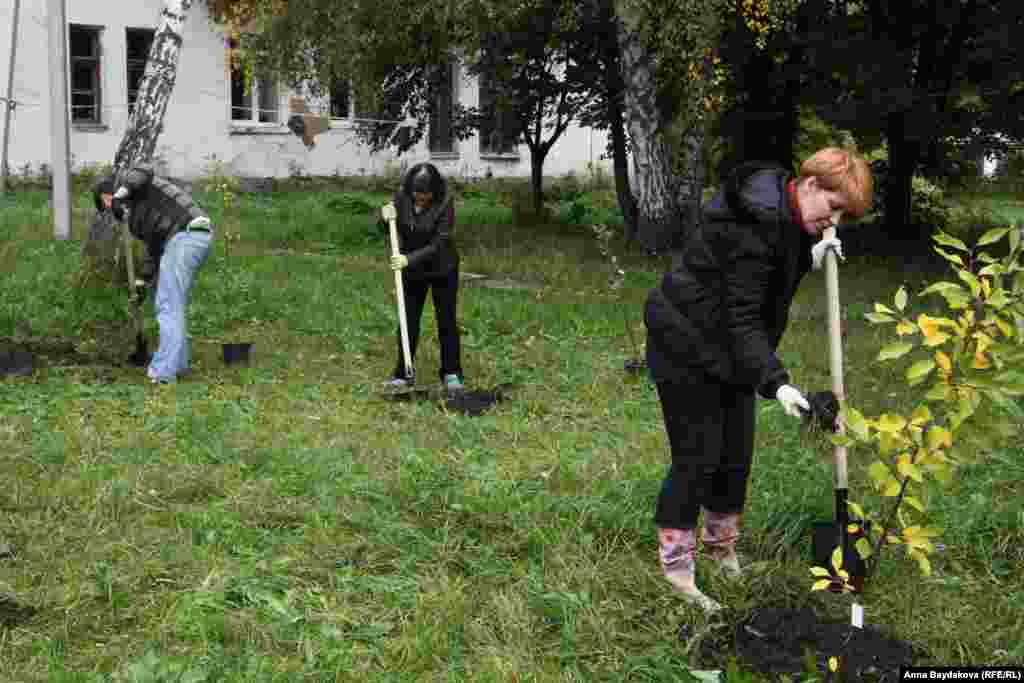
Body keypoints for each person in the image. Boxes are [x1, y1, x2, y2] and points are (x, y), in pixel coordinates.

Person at [643, 147, 873, 611]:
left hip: (728, 351)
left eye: (842, 219)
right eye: (832, 211)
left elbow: (768, 274)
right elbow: (743, 315)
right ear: (809, 185)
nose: (834, 224)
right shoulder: (753, 224)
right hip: (685, 341)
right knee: (697, 456)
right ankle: (677, 570)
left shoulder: (783, 215)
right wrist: (777, 382)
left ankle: (722, 549)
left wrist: (810, 256)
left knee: (735, 456)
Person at [94, 166, 214, 384]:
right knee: (172, 302)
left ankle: (163, 373)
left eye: (107, 206)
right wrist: (142, 282)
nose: (112, 212)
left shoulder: (128, 181)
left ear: (106, 195)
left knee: (168, 305)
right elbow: (154, 246)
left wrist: (121, 194)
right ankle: (177, 365)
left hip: (185, 235)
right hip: (186, 239)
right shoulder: (135, 217)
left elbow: (145, 170)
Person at [380, 162, 464, 393]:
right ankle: (402, 373)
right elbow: (388, 228)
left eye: (425, 195)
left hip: (442, 268)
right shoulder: (402, 197)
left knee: (446, 320)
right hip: (413, 272)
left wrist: (409, 259)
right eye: (417, 194)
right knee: (408, 320)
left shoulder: (445, 202)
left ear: (434, 192)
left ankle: (451, 373)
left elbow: (440, 242)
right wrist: (384, 218)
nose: (420, 199)